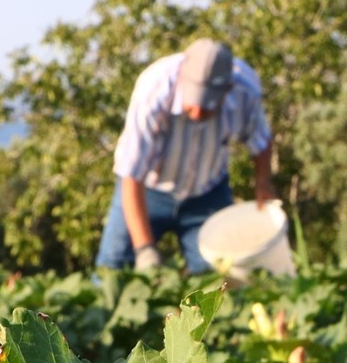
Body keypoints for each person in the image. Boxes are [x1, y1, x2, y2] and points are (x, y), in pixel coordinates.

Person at [95, 37, 276, 273]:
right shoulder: (154, 90)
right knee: (113, 268)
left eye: (208, 104)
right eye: (194, 101)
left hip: (207, 193)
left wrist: (263, 183)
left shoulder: (245, 91)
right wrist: (144, 249)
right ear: (182, 78)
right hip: (147, 190)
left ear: (226, 90)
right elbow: (131, 174)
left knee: (218, 275)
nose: (198, 110)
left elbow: (261, 140)